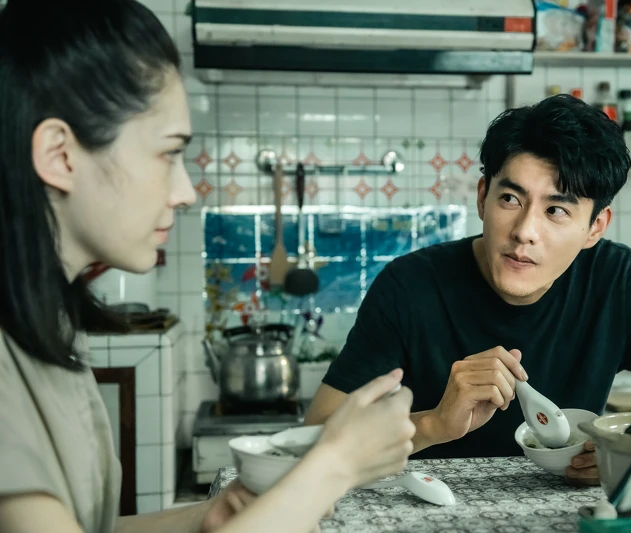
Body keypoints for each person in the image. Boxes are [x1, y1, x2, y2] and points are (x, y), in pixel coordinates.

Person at [0, 1, 415, 532]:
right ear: (60, 155)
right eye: (168, 154)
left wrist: (208, 516)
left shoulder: (47, 324)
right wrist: (333, 467)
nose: (186, 192)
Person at [305, 94, 631, 485]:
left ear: (595, 227)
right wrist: (433, 424)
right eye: (510, 198)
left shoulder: (618, 282)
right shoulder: (410, 286)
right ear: (482, 196)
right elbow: (313, 440)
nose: (525, 231)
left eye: (556, 210)